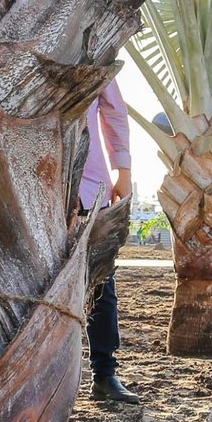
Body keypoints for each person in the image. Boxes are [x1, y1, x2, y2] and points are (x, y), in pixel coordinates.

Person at [81, 80, 139, 403]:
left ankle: (104, 375)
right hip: (35, 183)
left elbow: (114, 110)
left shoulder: (90, 35)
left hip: (91, 186)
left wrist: (124, 170)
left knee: (102, 285)